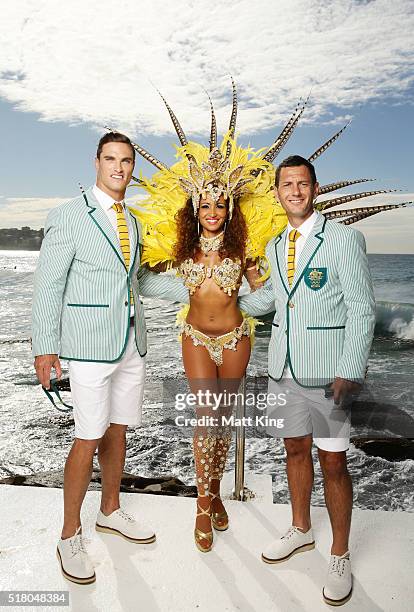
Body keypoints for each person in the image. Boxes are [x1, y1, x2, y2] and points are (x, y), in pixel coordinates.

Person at [31, 132, 189, 585]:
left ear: (133, 166)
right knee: (87, 436)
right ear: (96, 162)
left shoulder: (134, 222)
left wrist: (199, 291)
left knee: (118, 431)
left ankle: (110, 511)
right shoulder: (69, 216)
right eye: (111, 159)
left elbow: (138, 283)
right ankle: (68, 535)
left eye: (126, 161)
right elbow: (49, 284)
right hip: (87, 346)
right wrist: (45, 347)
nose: (119, 168)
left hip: (129, 344)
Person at [239, 155, 376, 606]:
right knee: (294, 448)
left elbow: (361, 308)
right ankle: (300, 529)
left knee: (333, 461)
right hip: (283, 370)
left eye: (302, 183)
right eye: (286, 185)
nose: (294, 191)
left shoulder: (342, 239)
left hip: (328, 375)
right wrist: (227, 293)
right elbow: (274, 302)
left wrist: (350, 369)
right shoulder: (278, 246)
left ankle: (339, 554)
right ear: (278, 193)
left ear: (314, 189)